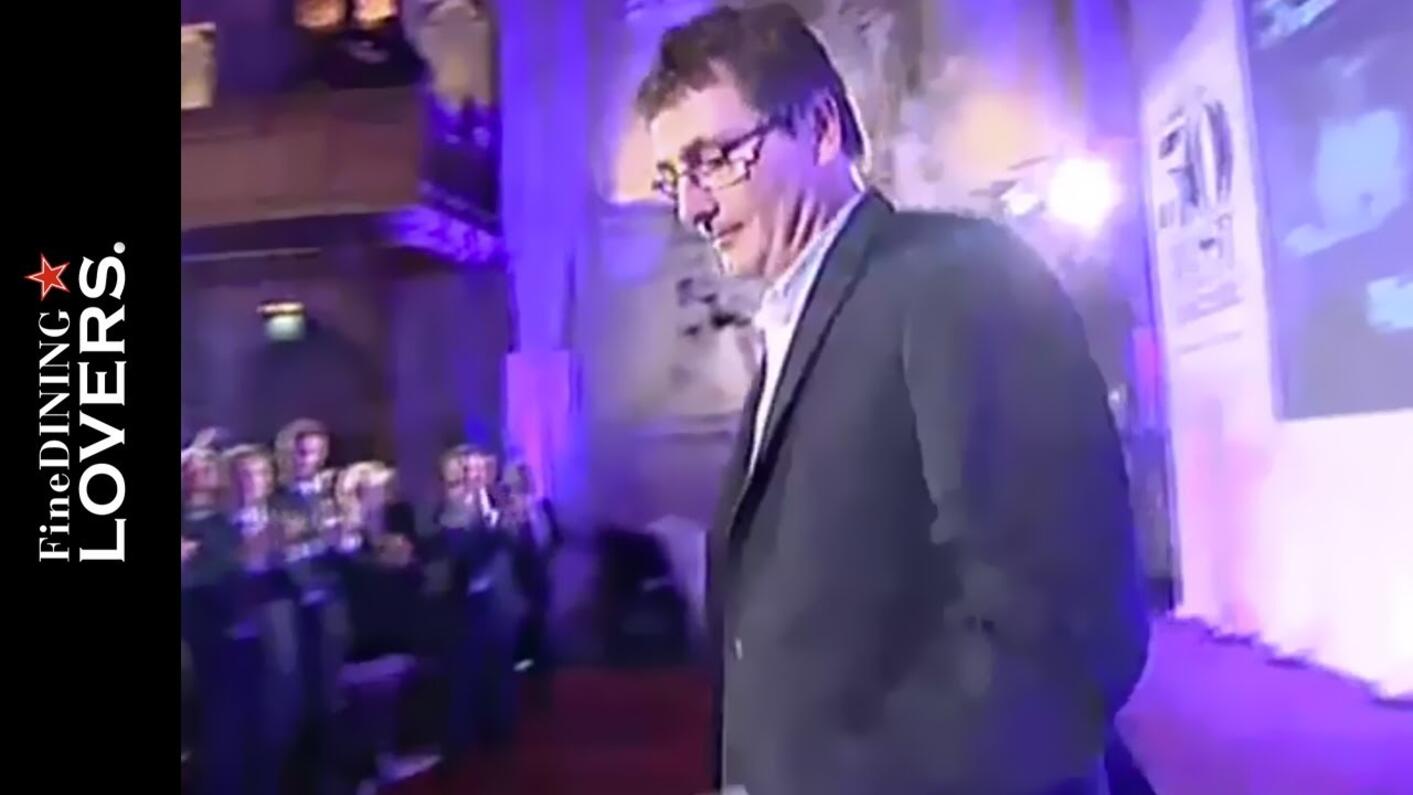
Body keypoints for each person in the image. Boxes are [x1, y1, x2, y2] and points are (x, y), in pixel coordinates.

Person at [636, 6, 1149, 794]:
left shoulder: (955, 276)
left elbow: (1060, 627)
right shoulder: (793, 319)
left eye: (713, 160)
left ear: (819, 130)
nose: (691, 208)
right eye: (673, 177)